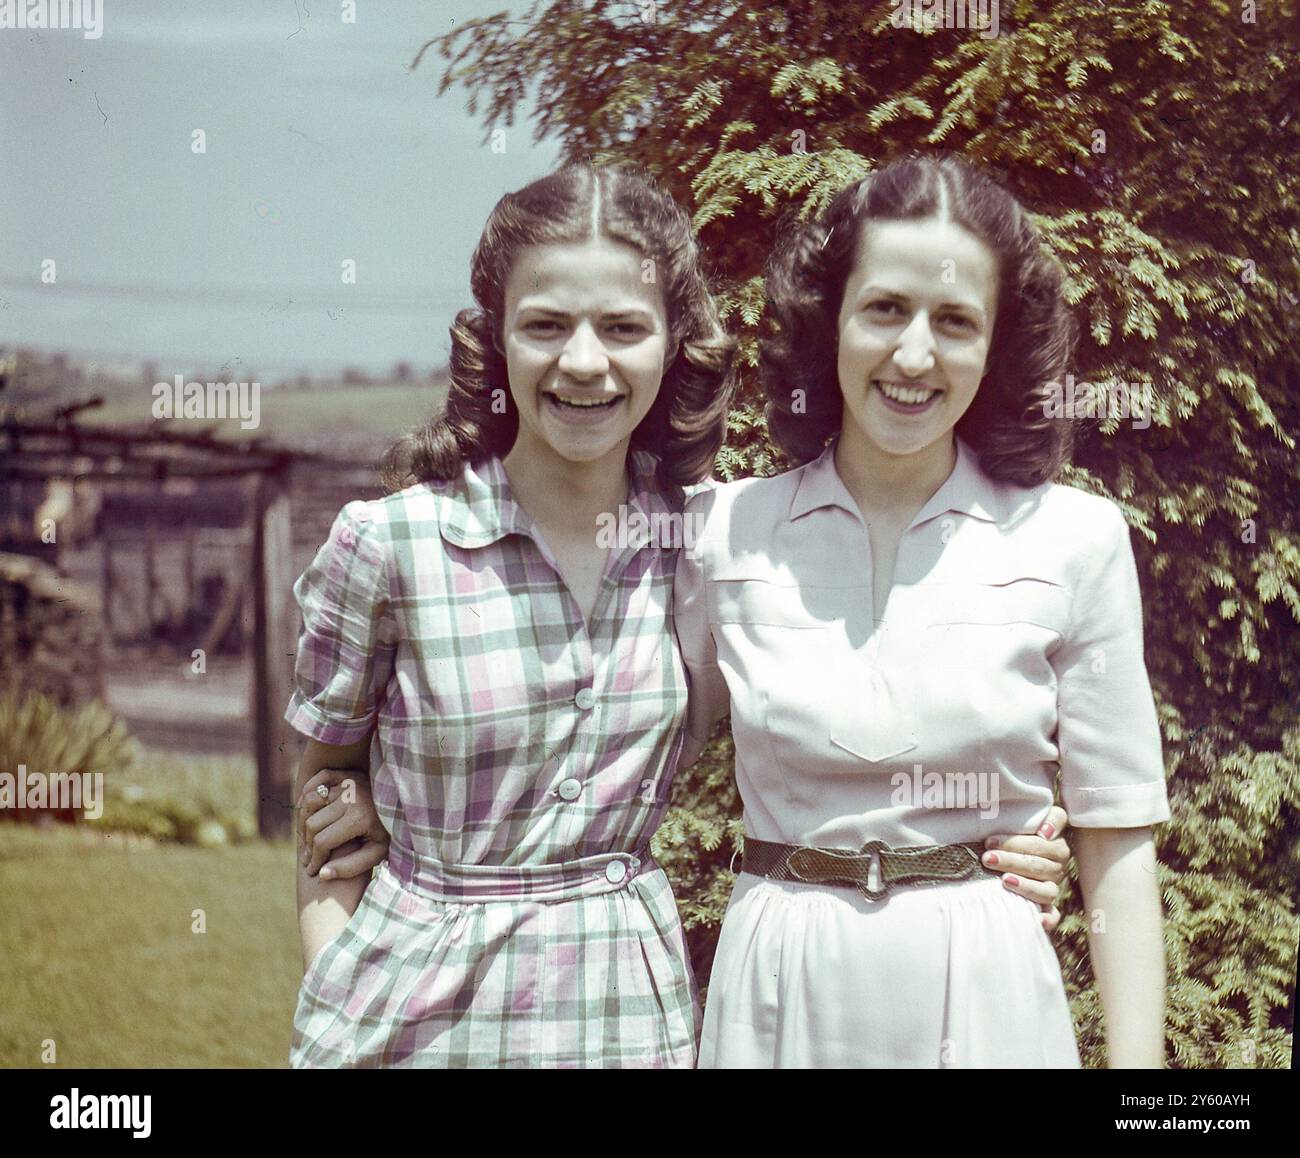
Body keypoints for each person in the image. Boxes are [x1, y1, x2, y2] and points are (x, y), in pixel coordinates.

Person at [293, 162, 1077, 1069]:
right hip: (408, 1029)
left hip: (625, 1027)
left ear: (671, 346)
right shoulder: (389, 546)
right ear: (496, 341)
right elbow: (323, 806)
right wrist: (338, 980)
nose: (583, 362)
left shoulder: (704, 541)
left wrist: (985, 836)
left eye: (622, 327)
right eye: (546, 325)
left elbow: (862, 693)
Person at [673, 154, 1169, 1068]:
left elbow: (1118, 844)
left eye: (954, 321)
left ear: (996, 345)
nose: (914, 355)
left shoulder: (1076, 541)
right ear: (831, 325)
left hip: (986, 995)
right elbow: (623, 753)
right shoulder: (723, 533)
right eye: (885, 309)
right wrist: (383, 805)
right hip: (778, 994)